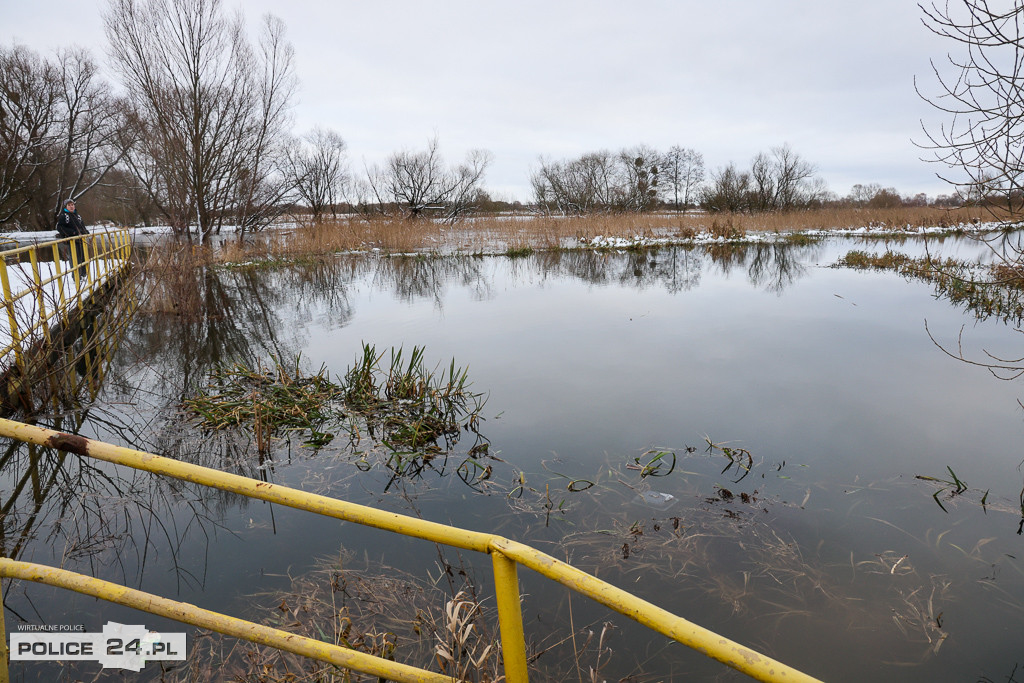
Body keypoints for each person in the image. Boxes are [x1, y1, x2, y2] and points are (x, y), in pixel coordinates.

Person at [56, 198, 89, 278]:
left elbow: (82, 226)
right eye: (69, 205)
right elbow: (59, 227)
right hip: (71, 241)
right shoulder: (64, 216)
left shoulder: (77, 216)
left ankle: (83, 274)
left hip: (80, 240)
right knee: (74, 258)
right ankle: (76, 276)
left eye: (72, 205)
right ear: (66, 207)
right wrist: (72, 232)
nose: (71, 207)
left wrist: (85, 232)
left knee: (83, 257)